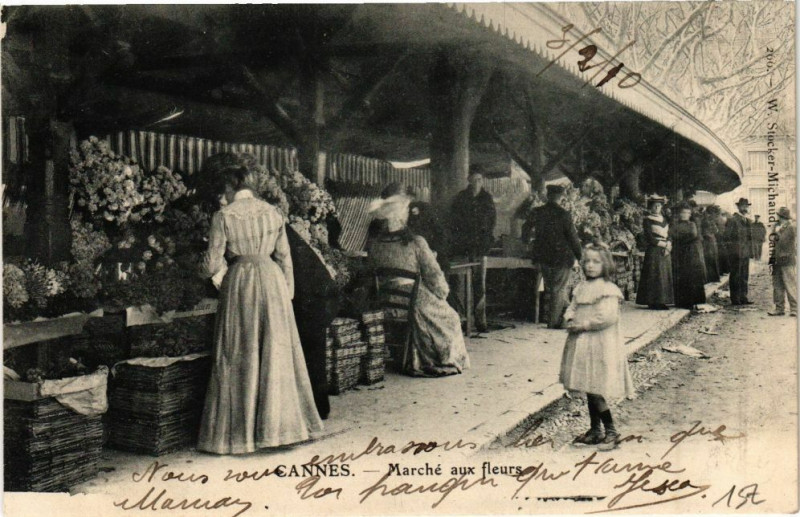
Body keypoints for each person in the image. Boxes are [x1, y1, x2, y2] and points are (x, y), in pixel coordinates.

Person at [197, 164, 322, 454]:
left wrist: (200, 271)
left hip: (241, 280)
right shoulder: (272, 212)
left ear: (229, 188)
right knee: (274, 351)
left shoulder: (223, 216)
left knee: (239, 348)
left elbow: (214, 262)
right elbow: (284, 257)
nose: (221, 197)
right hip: (273, 280)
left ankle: (242, 433)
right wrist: (286, 293)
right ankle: (279, 428)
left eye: (222, 191)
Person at [368, 193, 470, 377]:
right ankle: (440, 359)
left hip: (385, 300)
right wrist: (441, 294)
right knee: (451, 317)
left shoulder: (375, 244)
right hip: (412, 300)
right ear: (403, 217)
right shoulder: (417, 243)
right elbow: (434, 276)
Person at [559, 244, 635, 450]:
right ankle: (595, 430)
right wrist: (569, 317)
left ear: (606, 264)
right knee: (588, 386)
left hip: (599, 343)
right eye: (587, 261)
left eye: (596, 261)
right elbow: (573, 305)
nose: (590, 266)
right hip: (582, 343)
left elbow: (607, 317)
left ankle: (611, 431)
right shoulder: (582, 287)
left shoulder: (607, 290)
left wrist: (584, 324)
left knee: (596, 389)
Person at [525, 184, 583, 328]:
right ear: (561, 197)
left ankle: (566, 317)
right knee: (559, 289)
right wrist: (580, 255)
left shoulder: (537, 211)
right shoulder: (564, 214)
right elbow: (573, 238)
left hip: (543, 256)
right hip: (561, 257)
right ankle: (553, 322)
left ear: (548, 196)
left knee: (553, 287)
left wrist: (526, 242)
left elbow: (525, 227)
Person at [449, 173, 496, 331]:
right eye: (474, 179)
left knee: (479, 284)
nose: (477, 182)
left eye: (480, 179)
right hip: (463, 247)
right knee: (460, 284)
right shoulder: (461, 198)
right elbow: (453, 222)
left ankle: (480, 321)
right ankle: (461, 320)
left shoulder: (487, 199)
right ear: (468, 180)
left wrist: (485, 239)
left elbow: (492, 222)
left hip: (480, 247)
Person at [635, 195, 674, 310]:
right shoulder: (647, 220)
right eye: (654, 206)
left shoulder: (665, 219)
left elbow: (670, 234)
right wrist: (663, 245)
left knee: (664, 274)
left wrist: (669, 244)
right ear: (651, 207)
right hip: (654, 249)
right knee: (654, 274)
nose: (657, 208)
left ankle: (663, 300)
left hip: (665, 250)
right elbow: (649, 237)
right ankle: (653, 301)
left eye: (659, 206)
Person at [670, 201, 707, 310]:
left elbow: (693, 235)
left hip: (690, 252)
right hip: (678, 252)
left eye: (687, 213)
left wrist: (680, 238)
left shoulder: (692, 224)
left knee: (691, 275)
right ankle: (681, 301)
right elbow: (672, 234)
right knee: (681, 275)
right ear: (680, 214)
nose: (685, 215)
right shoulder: (675, 225)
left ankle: (693, 300)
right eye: (683, 213)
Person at [724, 198, 754, 306]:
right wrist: (732, 251)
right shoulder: (733, 220)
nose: (745, 208)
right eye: (743, 206)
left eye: (746, 206)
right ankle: (735, 299)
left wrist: (750, 252)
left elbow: (749, 238)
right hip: (736, 254)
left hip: (745, 253)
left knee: (744, 275)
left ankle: (743, 297)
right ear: (738, 207)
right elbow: (726, 237)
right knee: (736, 276)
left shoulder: (747, 221)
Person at [768, 207, 797, 317]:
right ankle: (779, 308)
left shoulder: (791, 228)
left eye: (779, 216)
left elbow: (784, 241)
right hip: (776, 259)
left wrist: (777, 232)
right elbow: (771, 240)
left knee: (790, 284)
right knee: (777, 285)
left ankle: (794, 308)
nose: (777, 218)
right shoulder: (777, 227)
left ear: (782, 217)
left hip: (787, 259)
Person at [701, 205, 721, 283]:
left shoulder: (706, 219)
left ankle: (711, 278)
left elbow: (715, 230)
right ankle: (713, 277)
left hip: (709, 241)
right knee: (712, 259)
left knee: (710, 259)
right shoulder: (708, 220)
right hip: (709, 241)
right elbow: (716, 230)